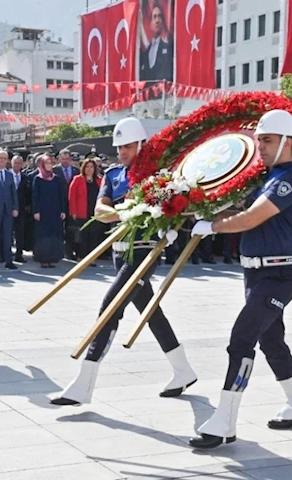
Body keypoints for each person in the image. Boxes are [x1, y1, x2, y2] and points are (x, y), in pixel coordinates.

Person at [188, 110, 292, 449]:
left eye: (268, 141)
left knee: (241, 340)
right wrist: (198, 215)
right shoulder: (269, 180)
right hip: (256, 273)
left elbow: (251, 218)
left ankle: (225, 422)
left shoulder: (288, 182)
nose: (261, 147)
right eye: (260, 141)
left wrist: (213, 227)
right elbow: (241, 215)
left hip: (278, 275)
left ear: (288, 142)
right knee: (272, 342)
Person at [50, 117, 197, 406]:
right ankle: (182, 369)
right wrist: (127, 211)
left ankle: (84, 382)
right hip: (119, 250)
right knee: (150, 311)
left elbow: (173, 206)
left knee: (110, 307)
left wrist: (159, 217)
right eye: (119, 147)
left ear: (142, 145)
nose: (122, 153)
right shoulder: (114, 174)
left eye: (128, 146)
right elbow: (100, 209)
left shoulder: (159, 177)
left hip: (143, 251)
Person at [31, 154, 67, 268]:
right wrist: (36, 211)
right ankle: (43, 258)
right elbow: (35, 197)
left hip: (55, 211)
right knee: (43, 235)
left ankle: (53, 258)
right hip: (42, 211)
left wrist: (63, 210)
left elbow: (61, 196)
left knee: (54, 235)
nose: (49, 165)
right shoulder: (38, 179)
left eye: (50, 163)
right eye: (46, 163)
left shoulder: (56, 178)